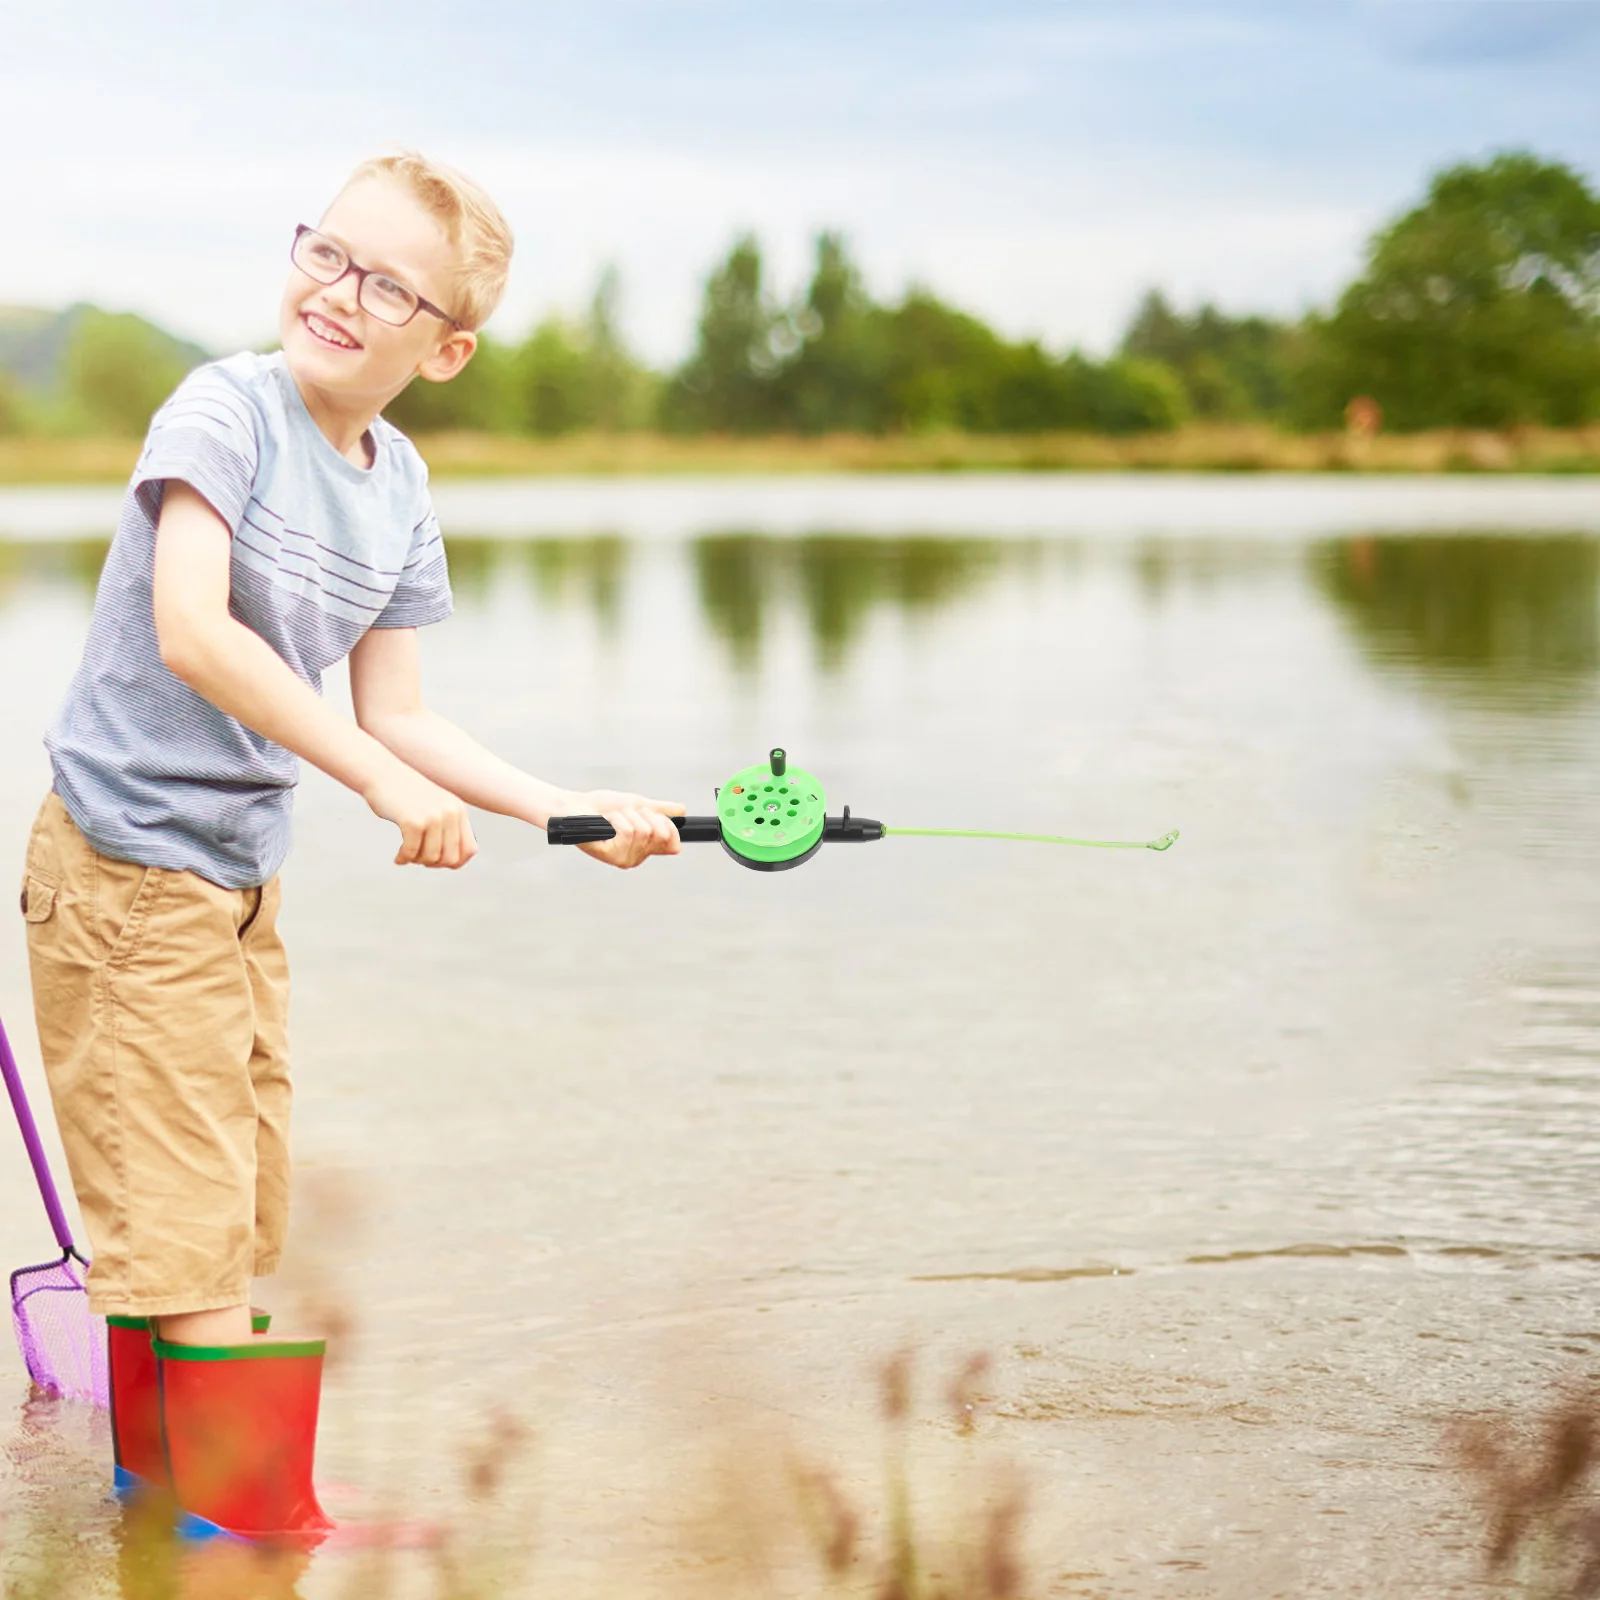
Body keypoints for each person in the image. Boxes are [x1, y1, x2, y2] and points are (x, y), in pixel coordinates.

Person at [18, 149, 683, 1545]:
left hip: (234, 886)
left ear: (445, 347)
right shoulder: (225, 411)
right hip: (127, 876)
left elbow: (403, 714)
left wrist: (566, 810)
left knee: (231, 1203)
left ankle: (168, 1501)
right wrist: (377, 784)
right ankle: (247, 1518)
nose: (339, 292)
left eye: (387, 285)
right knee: (191, 1212)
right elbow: (199, 634)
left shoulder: (397, 487)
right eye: (328, 253)